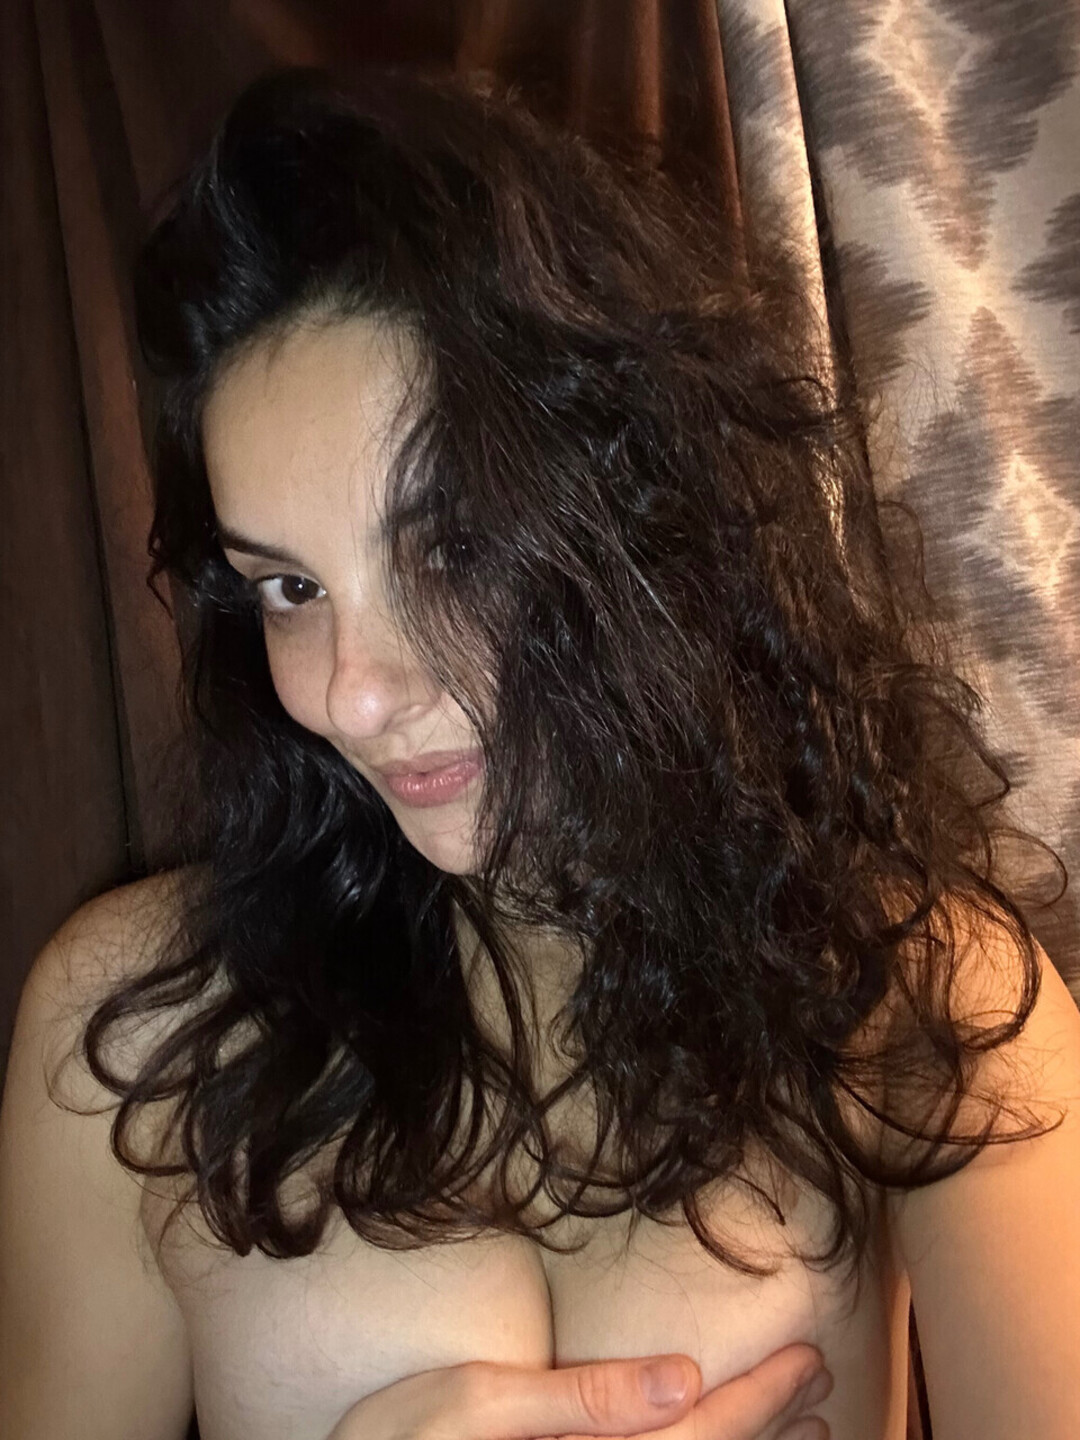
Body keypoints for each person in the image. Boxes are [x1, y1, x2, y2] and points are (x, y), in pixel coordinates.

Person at [2, 62, 1080, 1440]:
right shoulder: (134, 1031)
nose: (355, 694)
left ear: (637, 512)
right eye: (289, 587)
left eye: (450, 549)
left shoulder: (921, 1005)